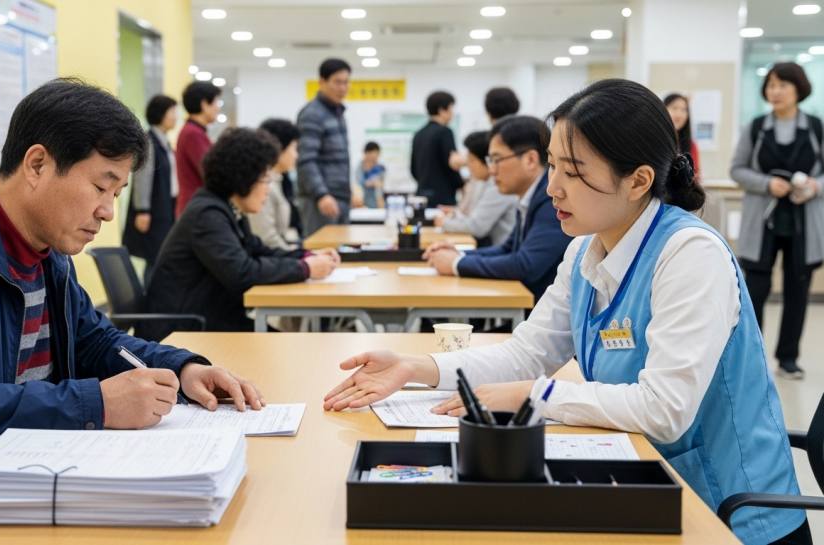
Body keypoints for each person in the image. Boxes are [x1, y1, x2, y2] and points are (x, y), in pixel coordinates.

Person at [324, 79, 808, 545]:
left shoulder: (689, 254)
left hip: (729, 515)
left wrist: (537, 395)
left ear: (638, 180)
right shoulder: (583, 252)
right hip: (640, 488)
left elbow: (665, 410)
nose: (553, 187)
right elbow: (526, 355)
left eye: (572, 172)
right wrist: (416, 368)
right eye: (553, 165)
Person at [0, 79, 265, 545]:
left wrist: (183, 368)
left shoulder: (47, 252)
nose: (107, 212)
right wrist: (97, 404)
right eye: (101, 186)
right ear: (37, 164)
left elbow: (95, 339)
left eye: (117, 194)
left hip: (13, 484)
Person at [144, 128, 340, 340]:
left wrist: (307, 256)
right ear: (245, 177)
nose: (268, 188)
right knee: (289, 345)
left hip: (209, 319)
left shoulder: (226, 208)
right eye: (265, 178)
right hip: (184, 331)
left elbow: (259, 251)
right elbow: (242, 273)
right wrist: (305, 268)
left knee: (291, 344)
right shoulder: (207, 214)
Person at [731, 62, 824, 380]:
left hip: (803, 222)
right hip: (763, 222)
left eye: (783, 85)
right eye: (771, 85)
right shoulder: (756, 127)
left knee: (798, 290)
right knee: (755, 290)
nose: (776, 91)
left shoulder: (816, 127)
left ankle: (788, 358)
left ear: (799, 89)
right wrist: (767, 184)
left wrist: (814, 187)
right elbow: (737, 169)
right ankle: (752, 358)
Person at [423, 116, 572, 302]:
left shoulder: (551, 199)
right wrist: (458, 254)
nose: (491, 170)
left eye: (496, 159)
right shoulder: (530, 195)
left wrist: (456, 263)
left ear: (530, 160)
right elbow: (507, 248)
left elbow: (526, 265)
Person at [123, 94, 178, 283]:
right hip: (153, 211)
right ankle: (149, 296)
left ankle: (155, 295)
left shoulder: (164, 141)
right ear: (161, 114)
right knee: (155, 257)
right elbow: (142, 177)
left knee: (160, 256)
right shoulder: (149, 141)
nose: (175, 116)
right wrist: (142, 210)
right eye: (172, 112)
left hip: (165, 208)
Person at [297, 58, 352, 235]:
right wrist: (321, 194)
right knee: (319, 249)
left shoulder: (338, 114)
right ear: (322, 82)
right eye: (337, 82)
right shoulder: (312, 114)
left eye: (346, 82)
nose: (343, 88)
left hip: (341, 198)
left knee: (341, 249)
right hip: (320, 200)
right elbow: (306, 160)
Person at [436, 130, 517, 246]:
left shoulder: (497, 185)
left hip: (496, 249)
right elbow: (472, 215)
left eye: (471, 160)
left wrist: (444, 223)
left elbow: (477, 227)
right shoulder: (484, 182)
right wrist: (455, 213)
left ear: (486, 161)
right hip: (490, 247)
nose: (468, 166)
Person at [248, 118, 302, 250]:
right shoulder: (263, 185)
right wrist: (302, 258)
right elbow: (267, 240)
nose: (296, 156)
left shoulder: (278, 181)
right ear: (279, 148)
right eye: (294, 148)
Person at [175, 81, 222, 217]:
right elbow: (211, 172)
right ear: (204, 104)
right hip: (196, 208)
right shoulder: (193, 134)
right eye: (216, 103)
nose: (218, 108)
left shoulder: (194, 131)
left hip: (195, 206)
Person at [411, 91, 465, 206]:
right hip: (443, 196)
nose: (452, 113)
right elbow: (452, 164)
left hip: (421, 194)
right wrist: (461, 184)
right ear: (441, 110)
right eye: (451, 109)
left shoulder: (419, 134)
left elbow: (413, 169)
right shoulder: (445, 132)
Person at [664, 93, 702, 181]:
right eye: (674, 108)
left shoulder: (692, 146)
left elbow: (696, 176)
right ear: (663, 110)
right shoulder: (655, 141)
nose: (679, 114)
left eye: (683, 110)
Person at [356, 141, 386, 208]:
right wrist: (369, 183)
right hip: (361, 205)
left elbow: (381, 187)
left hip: (378, 204)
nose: (374, 159)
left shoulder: (381, 169)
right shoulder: (359, 169)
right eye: (372, 156)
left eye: (377, 155)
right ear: (366, 154)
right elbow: (358, 185)